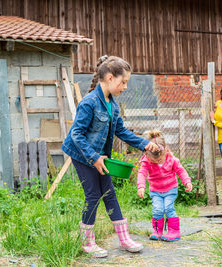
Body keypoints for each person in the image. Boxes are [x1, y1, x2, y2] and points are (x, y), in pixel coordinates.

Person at [62, 55, 160, 258]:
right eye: (123, 82)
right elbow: (76, 134)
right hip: (82, 154)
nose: (125, 87)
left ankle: (124, 239)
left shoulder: (112, 105)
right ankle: (87, 242)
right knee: (93, 195)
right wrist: (94, 157)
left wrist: (145, 144)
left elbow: (122, 132)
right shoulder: (89, 103)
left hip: (99, 156)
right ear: (109, 77)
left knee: (109, 193)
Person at [136, 130, 192, 242]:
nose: (156, 161)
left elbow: (181, 171)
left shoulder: (172, 159)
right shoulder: (146, 160)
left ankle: (174, 232)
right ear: (146, 154)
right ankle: (157, 231)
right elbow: (142, 173)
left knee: (168, 208)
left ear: (165, 150)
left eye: (159, 159)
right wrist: (141, 186)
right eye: (154, 160)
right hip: (155, 190)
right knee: (157, 209)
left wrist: (187, 181)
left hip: (170, 189)